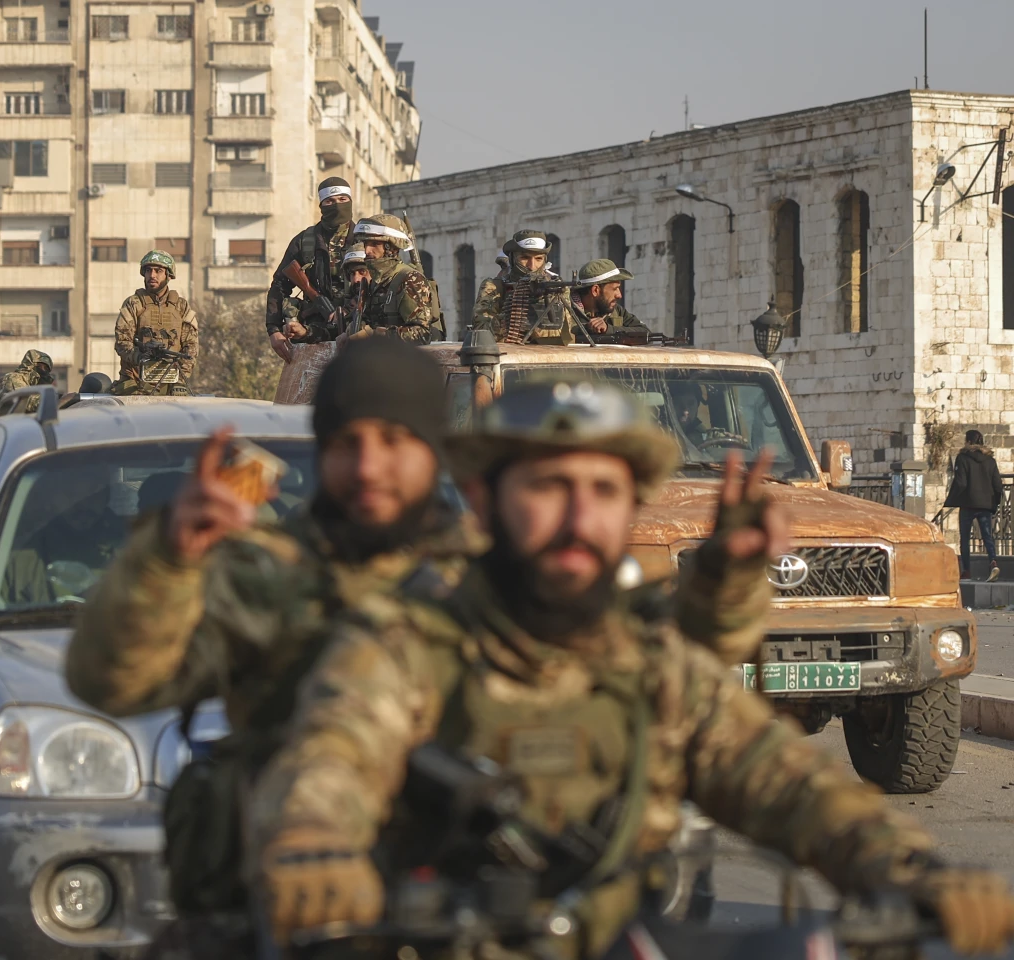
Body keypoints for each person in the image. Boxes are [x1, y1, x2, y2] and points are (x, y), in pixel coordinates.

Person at [249, 380, 1014, 958]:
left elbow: (782, 779)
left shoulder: (654, 666)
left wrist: (908, 871)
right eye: (550, 488)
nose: (581, 519)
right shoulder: (405, 645)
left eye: (605, 492)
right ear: (482, 497)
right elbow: (333, 755)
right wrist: (315, 847)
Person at [66, 342, 774, 956]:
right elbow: (111, 682)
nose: (369, 466)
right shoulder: (263, 575)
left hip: (479, 908)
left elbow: (660, 667)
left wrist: (725, 580)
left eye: (394, 441)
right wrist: (165, 565)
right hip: (298, 908)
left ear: (431, 447)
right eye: (347, 443)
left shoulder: (497, 568)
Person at [267, 176, 358, 363]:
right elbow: (279, 285)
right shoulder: (305, 241)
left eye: (342, 199)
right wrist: (274, 330)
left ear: (350, 201)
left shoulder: (364, 240)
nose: (337, 205)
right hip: (312, 336)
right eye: (330, 201)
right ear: (321, 205)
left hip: (357, 333)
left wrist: (348, 311)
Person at [113, 250, 198, 396]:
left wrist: (180, 380)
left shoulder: (181, 306)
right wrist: (140, 357)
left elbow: (191, 347)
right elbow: (122, 341)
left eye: (158, 271)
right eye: (148, 270)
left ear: (168, 275)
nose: (152, 275)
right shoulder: (134, 304)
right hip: (136, 381)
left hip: (173, 382)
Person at [344, 214, 436, 343]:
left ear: (390, 248)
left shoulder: (410, 279)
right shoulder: (375, 282)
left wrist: (375, 335)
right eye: (366, 244)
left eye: (375, 244)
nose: (367, 250)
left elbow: (421, 334)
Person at [472, 229, 574, 344]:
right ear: (512, 259)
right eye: (525, 258)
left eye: (538, 259)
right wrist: (508, 319)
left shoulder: (556, 288)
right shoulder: (494, 287)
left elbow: (565, 331)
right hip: (510, 355)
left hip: (549, 354)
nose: (532, 266)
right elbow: (481, 330)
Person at [945, 429, 1004, 581]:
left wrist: (951, 500)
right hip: (985, 505)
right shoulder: (990, 460)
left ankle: (966, 571)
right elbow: (998, 485)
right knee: (987, 536)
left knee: (964, 538)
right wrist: (994, 503)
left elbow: (960, 483)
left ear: (968, 442)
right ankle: (993, 563)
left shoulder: (962, 458)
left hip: (967, 504)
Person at [283, 245, 371, 344]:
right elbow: (330, 333)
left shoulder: (383, 299)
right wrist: (305, 332)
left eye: (362, 272)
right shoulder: (353, 305)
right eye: (351, 273)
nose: (356, 279)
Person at [572, 258, 648, 338]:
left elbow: (645, 332)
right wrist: (586, 329)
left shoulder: (617, 311)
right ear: (595, 290)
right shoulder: (564, 312)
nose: (619, 295)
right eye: (615, 289)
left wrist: (609, 329)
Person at [0, 349, 55, 418]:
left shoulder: (31, 386)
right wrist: (54, 400)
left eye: (46, 369)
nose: (44, 370)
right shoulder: (14, 378)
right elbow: (26, 403)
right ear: (30, 365)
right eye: (40, 366)